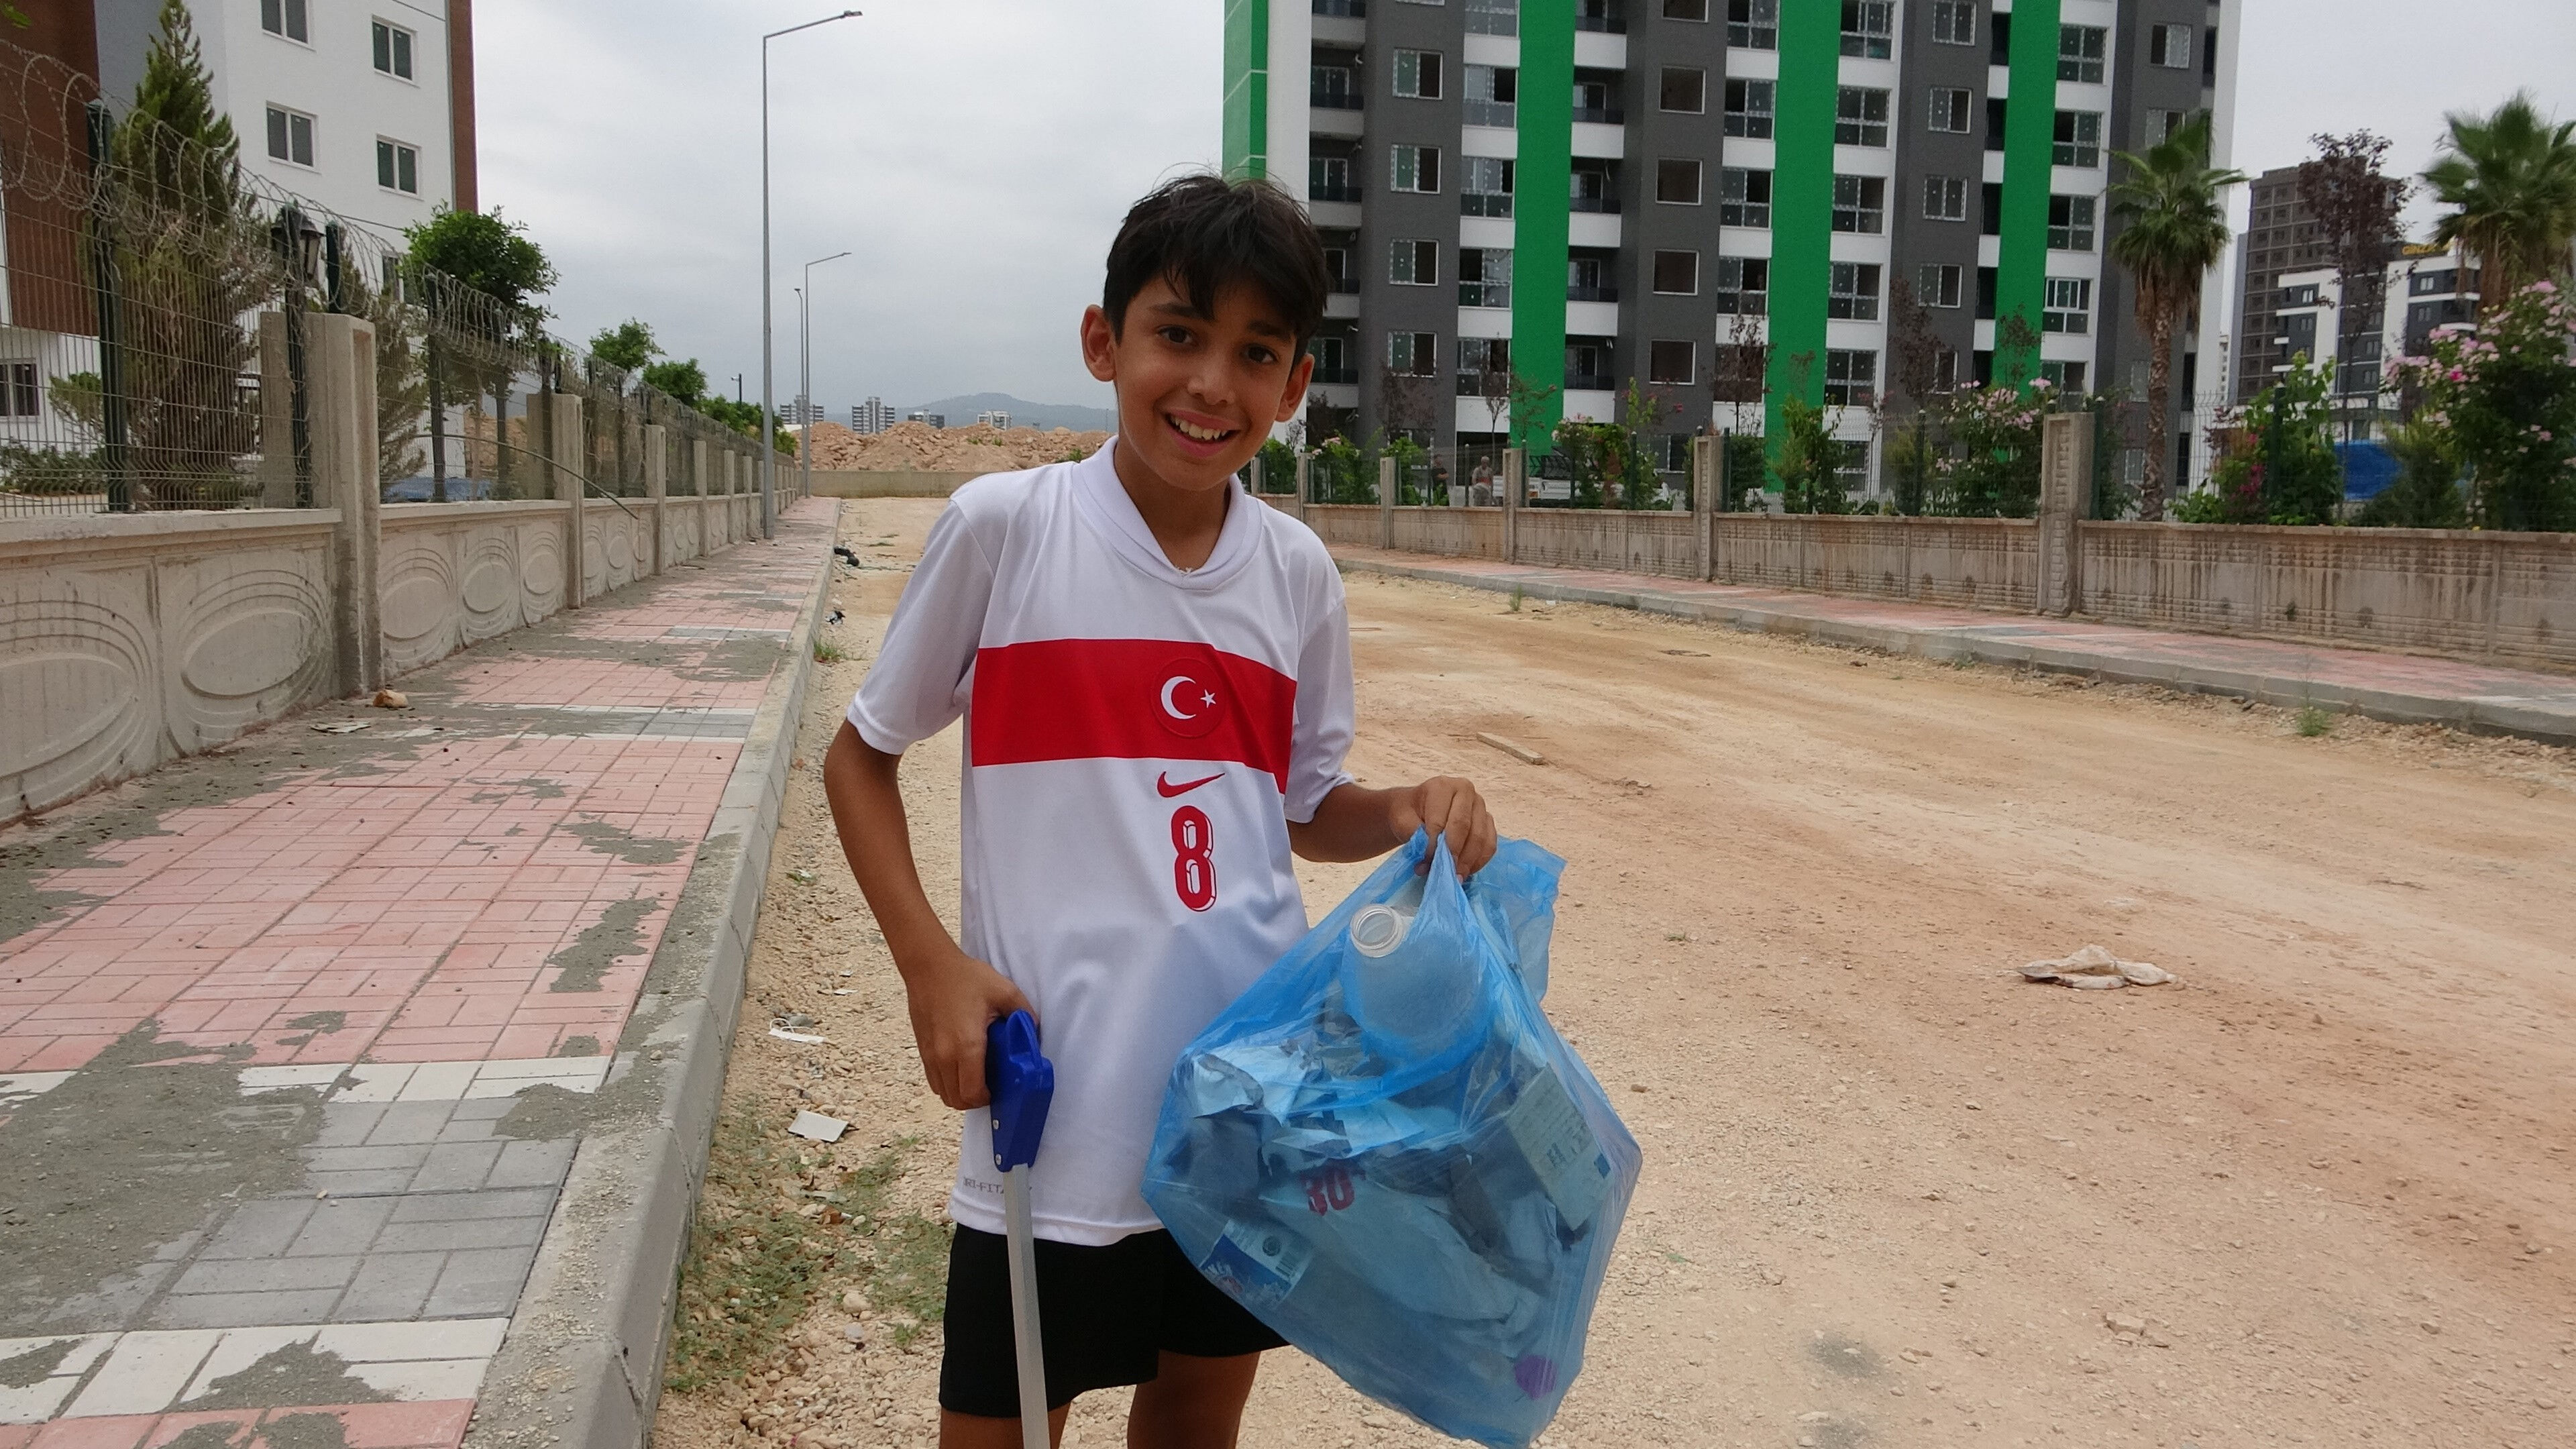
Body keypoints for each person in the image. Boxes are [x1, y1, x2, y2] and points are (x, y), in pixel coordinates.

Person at [822, 174, 1499, 1449]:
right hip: (1054, 1111)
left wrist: (1409, 808)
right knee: (1005, 1421)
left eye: (1256, 354)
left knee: (1196, 1409)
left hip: (1242, 1104)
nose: (1211, 384)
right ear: (1104, 342)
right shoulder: (1005, 531)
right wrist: (930, 966)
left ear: (1294, 386)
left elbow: (1304, 808)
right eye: (1178, 334)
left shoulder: (1295, 572)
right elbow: (860, 757)